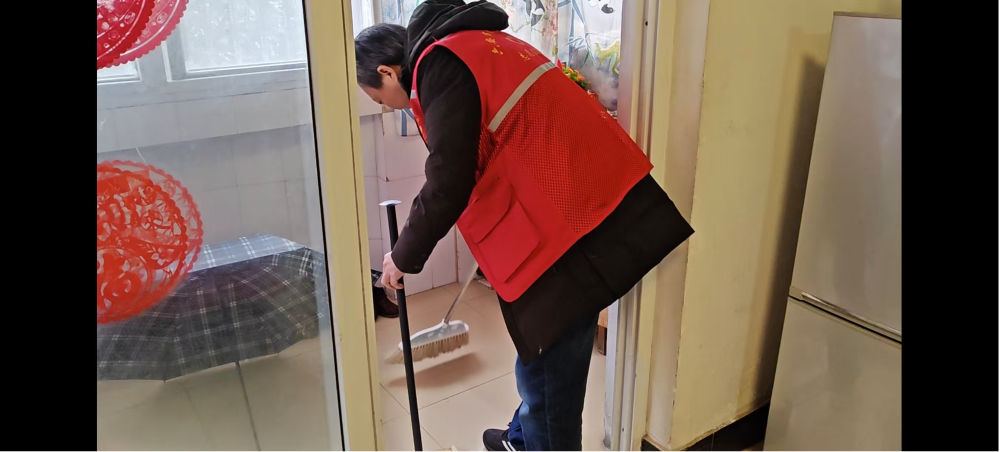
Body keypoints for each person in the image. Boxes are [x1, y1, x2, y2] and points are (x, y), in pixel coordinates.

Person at [354, 1, 693, 451]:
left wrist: (401, 257)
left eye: (380, 99)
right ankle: (520, 439)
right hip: (587, 201)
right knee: (547, 354)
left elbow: (449, 180)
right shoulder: (477, 43)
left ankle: (536, 439)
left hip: (568, 224)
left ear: (387, 72)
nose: (388, 106)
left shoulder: (439, 63)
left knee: (548, 371)